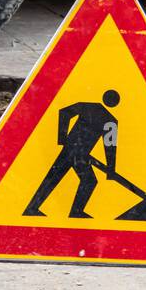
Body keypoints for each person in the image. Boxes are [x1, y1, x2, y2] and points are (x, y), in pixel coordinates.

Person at [23, 90, 120, 218]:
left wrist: (63, 139)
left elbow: (65, 112)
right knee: (88, 180)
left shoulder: (91, 108)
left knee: (53, 177)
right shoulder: (110, 120)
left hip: (72, 150)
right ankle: (76, 212)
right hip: (79, 154)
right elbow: (110, 147)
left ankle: (32, 208)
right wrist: (110, 170)